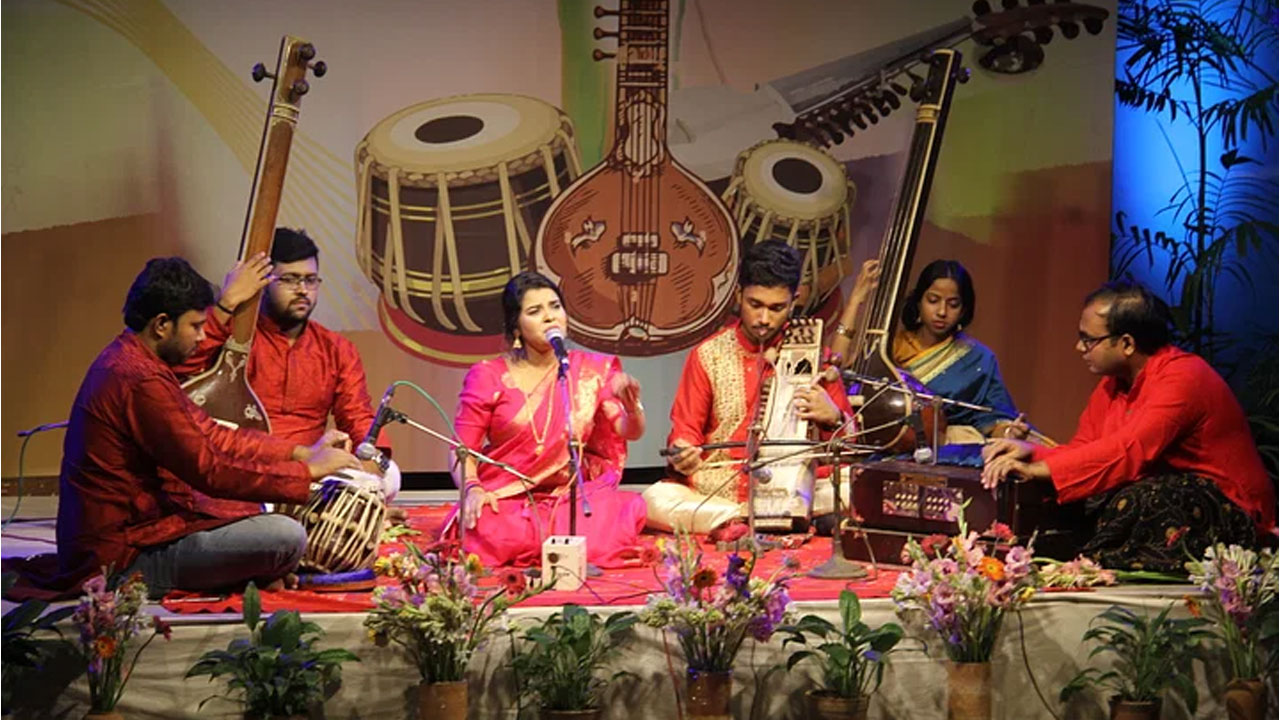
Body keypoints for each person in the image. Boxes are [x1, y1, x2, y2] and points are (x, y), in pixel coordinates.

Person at [14, 258, 361, 600]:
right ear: (162, 325)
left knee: (249, 515)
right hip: (121, 558)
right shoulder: (139, 379)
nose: (203, 336)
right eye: (195, 326)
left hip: (139, 534)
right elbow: (210, 470)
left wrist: (300, 453)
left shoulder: (135, 360)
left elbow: (212, 433)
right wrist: (307, 473)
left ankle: (250, 570)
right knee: (285, 537)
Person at [981, 281, 1276, 570]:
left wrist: (1040, 468)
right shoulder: (1113, 384)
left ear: (1126, 344)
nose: (1079, 347)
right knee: (1078, 494)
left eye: (1089, 340)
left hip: (1230, 509)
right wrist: (1032, 453)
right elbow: (1088, 450)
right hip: (1159, 488)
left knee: (1144, 497)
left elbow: (1130, 451)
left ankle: (1090, 563)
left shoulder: (1184, 377)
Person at [176, 228, 400, 518]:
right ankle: (328, 513)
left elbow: (357, 416)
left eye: (310, 280)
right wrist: (227, 304)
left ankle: (328, 509)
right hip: (249, 466)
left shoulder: (336, 349)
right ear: (264, 282)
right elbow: (183, 367)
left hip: (313, 468)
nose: (303, 290)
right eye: (290, 279)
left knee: (390, 475)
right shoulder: (235, 336)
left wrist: (372, 457)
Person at [643, 240, 855, 538]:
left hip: (796, 483)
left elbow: (849, 446)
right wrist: (682, 453)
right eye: (755, 305)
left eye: (777, 308)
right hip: (722, 489)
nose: (764, 319)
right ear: (738, 294)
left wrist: (833, 417)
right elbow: (685, 432)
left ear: (794, 301)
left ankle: (744, 522)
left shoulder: (814, 356)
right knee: (653, 501)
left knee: (856, 485)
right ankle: (750, 517)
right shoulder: (709, 355)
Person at [448, 271, 648, 568]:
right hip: (508, 497)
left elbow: (628, 430)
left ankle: (547, 538)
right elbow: (461, 449)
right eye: (534, 311)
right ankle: (556, 541)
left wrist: (633, 409)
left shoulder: (592, 370)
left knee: (626, 507)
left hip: (569, 496)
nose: (549, 317)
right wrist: (473, 489)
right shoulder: (488, 375)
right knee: (485, 523)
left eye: (555, 306)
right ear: (516, 326)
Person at [829, 258, 1030, 442]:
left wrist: (1008, 432)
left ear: (963, 310)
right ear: (919, 302)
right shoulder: (890, 348)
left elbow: (994, 417)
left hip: (944, 451)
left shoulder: (978, 359)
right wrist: (856, 299)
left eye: (953, 304)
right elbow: (837, 367)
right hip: (885, 446)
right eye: (933, 300)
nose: (942, 312)